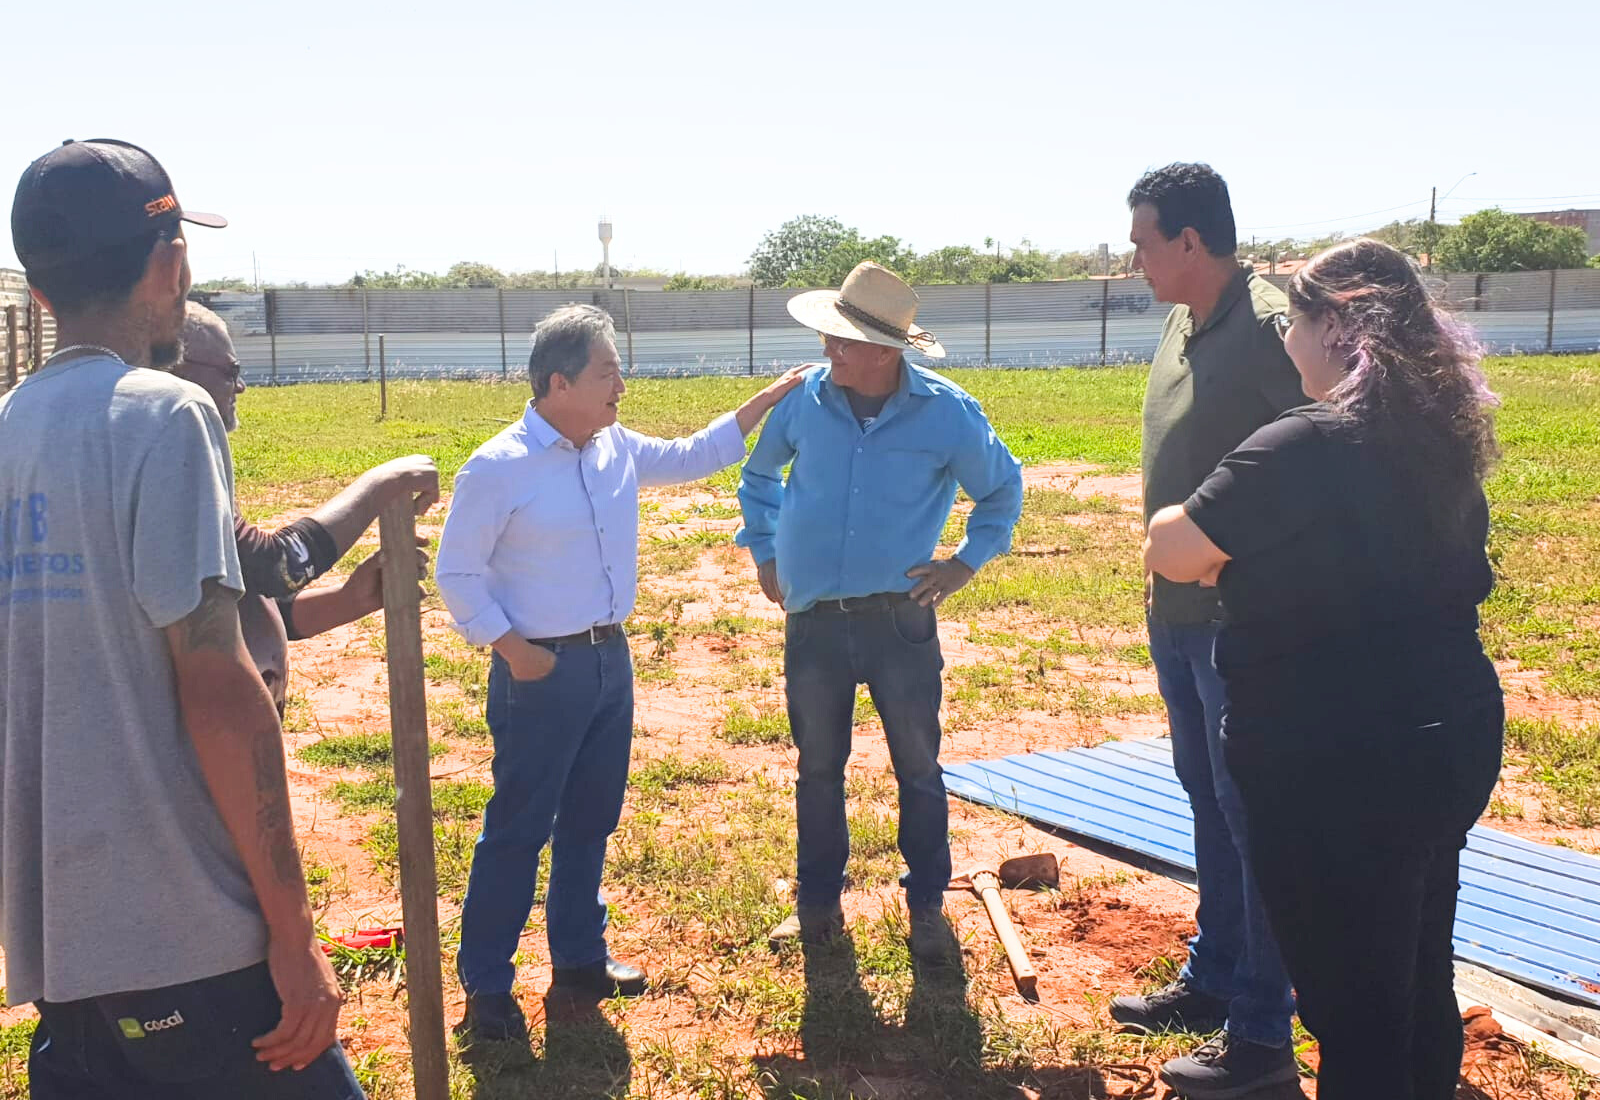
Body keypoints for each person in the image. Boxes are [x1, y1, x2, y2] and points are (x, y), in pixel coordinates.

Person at [2, 139, 363, 1097]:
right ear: (170, 264)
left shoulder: (9, 431)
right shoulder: (164, 417)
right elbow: (215, 682)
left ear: (40, 292)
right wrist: (292, 934)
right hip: (189, 941)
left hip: (62, 952)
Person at [1145, 238, 1504, 1100]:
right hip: (1444, 737)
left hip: (1334, 759)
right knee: (1418, 971)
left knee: (1353, 1010)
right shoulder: (1442, 438)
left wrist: (1195, 527)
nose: (1285, 339)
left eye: (1296, 320)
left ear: (1337, 325)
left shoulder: (1303, 441)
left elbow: (1174, 547)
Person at [435, 304, 803, 1042]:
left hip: (609, 660)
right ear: (560, 381)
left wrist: (765, 401)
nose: (621, 388)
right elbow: (457, 573)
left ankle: (577, 959)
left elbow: (697, 453)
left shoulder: (613, 448)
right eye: (608, 373)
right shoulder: (498, 466)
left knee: (590, 822)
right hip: (541, 669)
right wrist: (517, 652)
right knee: (517, 828)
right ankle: (486, 985)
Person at [736, 261, 1024, 961]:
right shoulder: (806, 400)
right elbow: (758, 474)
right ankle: (817, 905)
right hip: (815, 621)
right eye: (830, 338)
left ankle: (927, 903)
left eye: (844, 342)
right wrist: (765, 550)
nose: (829, 351)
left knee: (918, 765)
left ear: (886, 352)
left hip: (899, 619)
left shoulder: (947, 412)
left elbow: (1002, 490)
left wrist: (964, 563)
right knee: (817, 768)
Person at [1112, 163, 1305, 1099]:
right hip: (1180, 617)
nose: (1134, 257)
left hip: (1244, 626)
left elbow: (1325, 455)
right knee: (1208, 804)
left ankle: (1264, 1032)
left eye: (1145, 240)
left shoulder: (1274, 326)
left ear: (1191, 241)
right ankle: (1219, 976)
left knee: (1256, 819)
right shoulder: (1180, 322)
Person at [173, 303, 437, 714]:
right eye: (230, 371)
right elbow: (272, 566)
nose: (240, 387)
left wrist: (347, 600)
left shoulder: (186, 454)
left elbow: (243, 598)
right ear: (176, 369)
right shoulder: (171, 461)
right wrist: (380, 485)